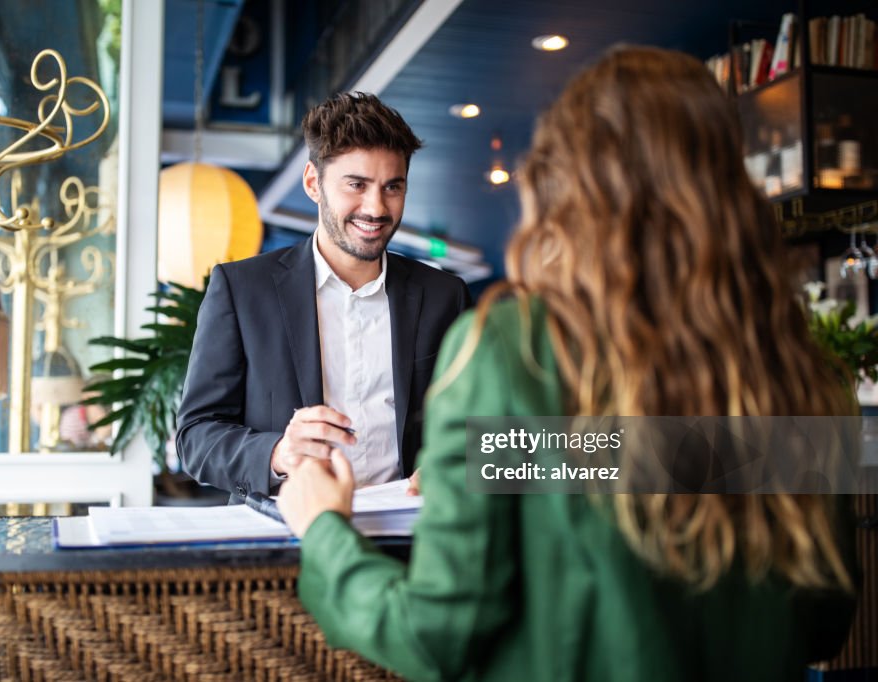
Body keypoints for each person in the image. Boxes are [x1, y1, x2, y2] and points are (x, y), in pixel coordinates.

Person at [277, 46, 859, 681]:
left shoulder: (515, 352)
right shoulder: (807, 374)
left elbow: (437, 636)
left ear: (571, 183)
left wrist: (325, 531)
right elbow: (824, 618)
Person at [176, 92, 471, 502]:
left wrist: (454, 461)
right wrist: (279, 453)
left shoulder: (445, 296)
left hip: (414, 543)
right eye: (357, 185)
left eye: (393, 187)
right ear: (314, 183)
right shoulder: (243, 290)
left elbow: (479, 424)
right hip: (285, 545)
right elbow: (196, 436)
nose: (376, 207)